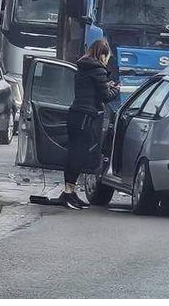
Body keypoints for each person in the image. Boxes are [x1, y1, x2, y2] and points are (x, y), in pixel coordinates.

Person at [62, 38, 120, 210]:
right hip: (86, 117)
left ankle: (70, 192)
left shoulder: (84, 68)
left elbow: (92, 88)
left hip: (76, 114)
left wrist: (105, 85)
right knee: (79, 155)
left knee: (73, 152)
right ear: (102, 54)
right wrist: (116, 89)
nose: (107, 61)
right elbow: (105, 96)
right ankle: (68, 192)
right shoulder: (98, 70)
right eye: (107, 57)